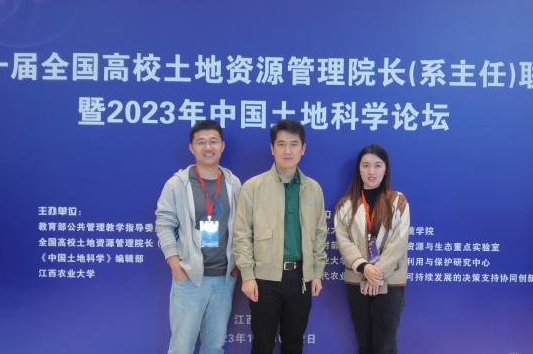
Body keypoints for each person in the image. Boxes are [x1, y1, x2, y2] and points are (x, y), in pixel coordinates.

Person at [232, 119, 328, 354]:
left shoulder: (313, 189)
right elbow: (242, 234)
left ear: (303, 149)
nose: (287, 151)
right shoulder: (253, 187)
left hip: (301, 278)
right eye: (281, 144)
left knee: (294, 343)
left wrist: (316, 273)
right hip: (264, 279)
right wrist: (247, 276)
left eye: (294, 144)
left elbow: (319, 233)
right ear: (271, 148)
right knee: (262, 343)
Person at [155, 120, 243, 354]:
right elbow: (164, 223)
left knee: (214, 347)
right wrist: (175, 264)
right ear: (191, 148)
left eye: (213, 141)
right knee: (181, 347)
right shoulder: (177, 184)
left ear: (222, 145)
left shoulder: (233, 183)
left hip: (223, 280)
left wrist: (237, 265)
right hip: (189, 277)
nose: (208, 147)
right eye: (201, 142)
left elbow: (242, 227)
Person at [333, 144, 410, 354]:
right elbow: (343, 241)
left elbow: (399, 242)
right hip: (356, 279)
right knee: (364, 344)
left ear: (386, 169)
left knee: (385, 346)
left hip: (391, 281)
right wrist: (364, 268)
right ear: (359, 169)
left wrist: (375, 275)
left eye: (377, 165)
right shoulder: (345, 205)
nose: (371, 171)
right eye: (366, 165)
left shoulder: (398, 201)